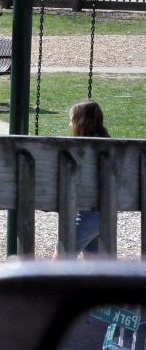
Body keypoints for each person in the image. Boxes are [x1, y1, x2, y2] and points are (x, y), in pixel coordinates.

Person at [63, 99, 111, 258]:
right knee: (93, 266)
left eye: (72, 120)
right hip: (106, 212)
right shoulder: (109, 148)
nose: (70, 124)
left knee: (60, 259)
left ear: (79, 124)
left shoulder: (80, 152)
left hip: (89, 215)